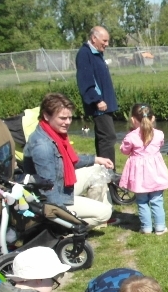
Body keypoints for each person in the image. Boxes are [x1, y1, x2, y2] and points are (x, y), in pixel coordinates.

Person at [23, 93, 114, 226]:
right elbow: (48, 189)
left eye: (70, 118)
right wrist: (63, 216)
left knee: (98, 170)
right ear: (46, 116)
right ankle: (68, 229)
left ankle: (95, 215)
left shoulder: (53, 133)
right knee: (105, 213)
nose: (68, 122)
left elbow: (69, 161)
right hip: (52, 198)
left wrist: (96, 159)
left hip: (62, 184)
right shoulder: (43, 146)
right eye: (63, 118)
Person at [120, 104, 168, 235]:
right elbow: (160, 144)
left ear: (133, 120)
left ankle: (146, 228)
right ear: (152, 118)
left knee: (142, 201)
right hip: (156, 173)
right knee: (157, 200)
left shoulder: (131, 136)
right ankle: (160, 227)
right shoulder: (159, 134)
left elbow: (124, 151)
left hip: (139, 176)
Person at [76, 26, 118, 166]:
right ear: (94, 38)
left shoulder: (96, 54)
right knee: (107, 137)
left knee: (104, 137)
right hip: (100, 105)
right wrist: (97, 99)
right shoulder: (85, 54)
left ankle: (104, 171)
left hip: (105, 103)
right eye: (104, 41)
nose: (107, 44)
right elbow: (86, 80)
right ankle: (108, 173)